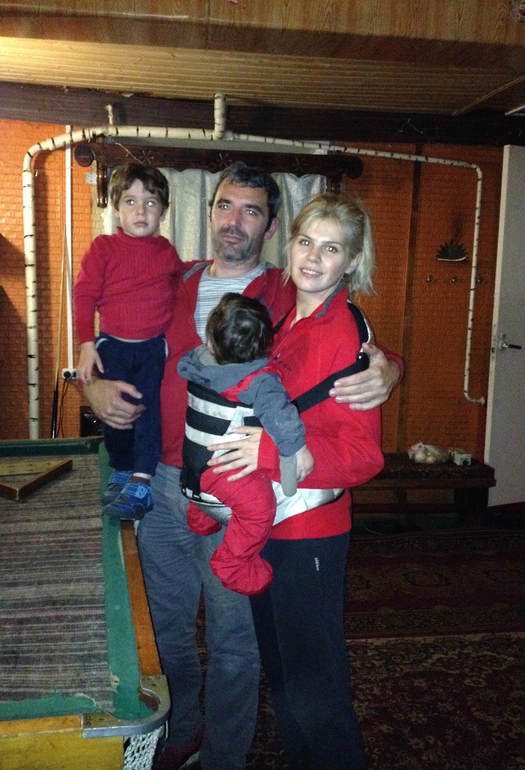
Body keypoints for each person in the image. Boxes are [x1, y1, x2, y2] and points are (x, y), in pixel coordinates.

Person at [83, 162, 402, 770]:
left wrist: (388, 367)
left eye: (251, 210)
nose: (235, 220)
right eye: (225, 205)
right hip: (163, 482)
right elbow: (114, 337)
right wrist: (89, 386)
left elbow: (348, 340)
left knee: (237, 637)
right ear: (210, 213)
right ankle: (182, 730)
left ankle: (225, 756)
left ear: (271, 227)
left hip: (240, 490)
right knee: (165, 629)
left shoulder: (283, 291)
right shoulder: (171, 276)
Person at [209, 191, 383, 769]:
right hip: (273, 523)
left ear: (352, 260)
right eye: (306, 241)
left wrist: (265, 451)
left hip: (310, 532)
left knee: (317, 687)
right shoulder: (287, 316)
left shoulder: (343, 331)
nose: (313, 257)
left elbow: (362, 456)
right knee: (284, 675)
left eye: (331, 248)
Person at [178, 292, 314, 596]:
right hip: (224, 471)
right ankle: (232, 562)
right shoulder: (259, 382)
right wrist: (297, 449)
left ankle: (201, 519)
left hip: (191, 464)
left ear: (210, 342)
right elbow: (281, 418)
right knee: (259, 510)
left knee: (206, 481)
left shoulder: (196, 363)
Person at [73, 161, 182, 520]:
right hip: (112, 346)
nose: (140, 211)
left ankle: (142, 480)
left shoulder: (166, 252)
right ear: (116, 208)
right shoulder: (103, 248)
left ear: (163, 212)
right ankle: (121, 468)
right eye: (130, 201)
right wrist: (86, 344)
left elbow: (182, 284)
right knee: (118, 414)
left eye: (150, 203)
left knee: (149, 413)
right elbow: (84, 296)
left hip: (152, 349)